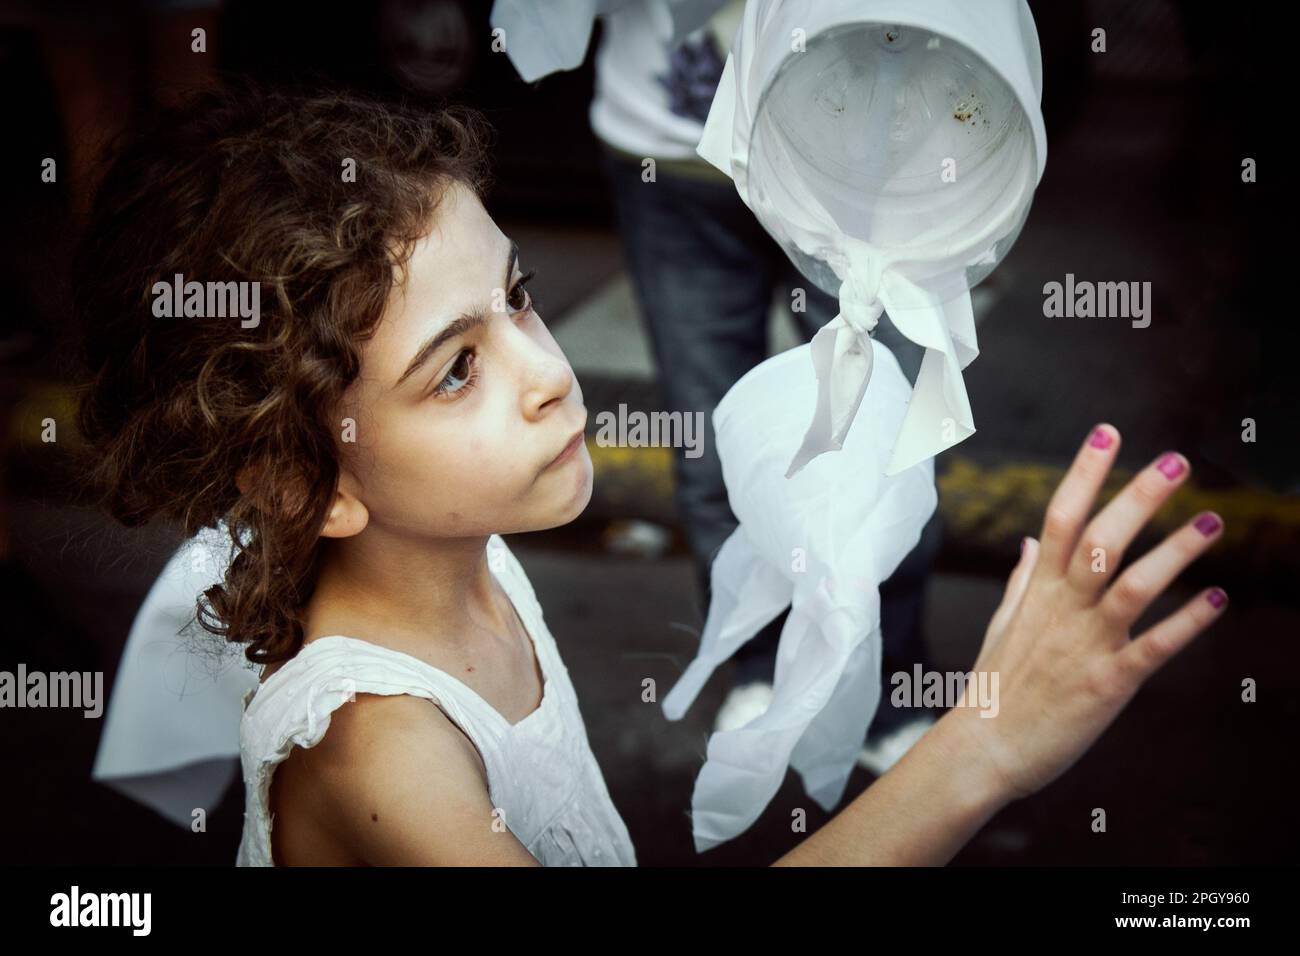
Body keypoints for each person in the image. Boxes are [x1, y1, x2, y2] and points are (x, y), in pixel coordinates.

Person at [75, 83, 1228, 865]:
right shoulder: (385, 747)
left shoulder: (461, 555)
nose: (547, 373)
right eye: (456, 370)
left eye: (518, 297)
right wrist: (982, 745)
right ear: (311, 482)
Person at [589, 0, 941, 760]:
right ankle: (762, 661)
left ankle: (886, 680)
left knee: (888, 435)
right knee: (712, 442)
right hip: (671, 153)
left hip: (858, 153)